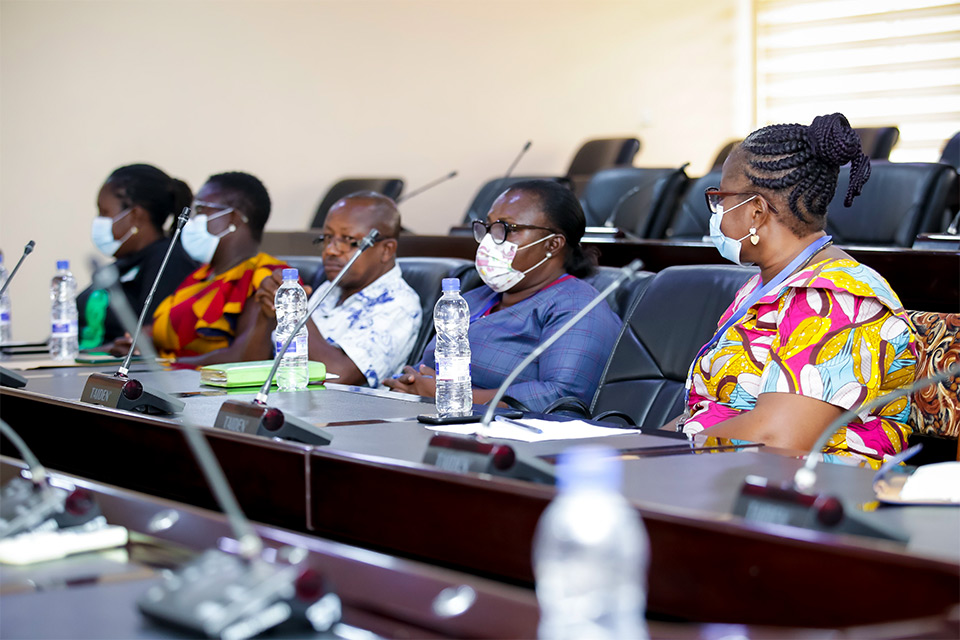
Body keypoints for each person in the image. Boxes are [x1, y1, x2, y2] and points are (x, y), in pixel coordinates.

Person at [673, 113, 917, 469]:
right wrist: (634, 447)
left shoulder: (838, 299)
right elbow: (707, 411)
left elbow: (778, 438)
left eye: (721, 199)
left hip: (808, 491)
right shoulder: (765, 286)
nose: (717, 212)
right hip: (722, 474)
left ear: (756, 211)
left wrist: (664, 455)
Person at [384, 180, 622, 412]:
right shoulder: (474, 298)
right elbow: (423, 371)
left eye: (507, 229)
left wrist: (451, 395)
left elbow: (562, 397)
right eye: (488, 227)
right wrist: (410, 384)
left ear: (552, 244)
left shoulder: (578, 306)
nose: (490, 240)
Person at [243, 192, 421, 386]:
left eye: (349, 240)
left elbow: (338, 377)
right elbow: (251, 367)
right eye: (328, 237)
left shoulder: (400, 304)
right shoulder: (329, 289)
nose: (330, 250)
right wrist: (267, 315)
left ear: (386, 250)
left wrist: (295, 312)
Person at [142, 172, 288, 366]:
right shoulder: (201, 275)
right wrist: (139, 348)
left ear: (233, 219)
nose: (192, 220)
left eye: (201, 209)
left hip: (203, 382)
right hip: (165, 376)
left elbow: (243, 359)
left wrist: (164, 365)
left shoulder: (265, 276)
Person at [79, 164, 198, 349]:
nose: (99, 221)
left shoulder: (167, 261)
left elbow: (149, 341)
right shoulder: (122, 263)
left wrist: (104, 351)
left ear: (135, 215)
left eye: (104, 212)